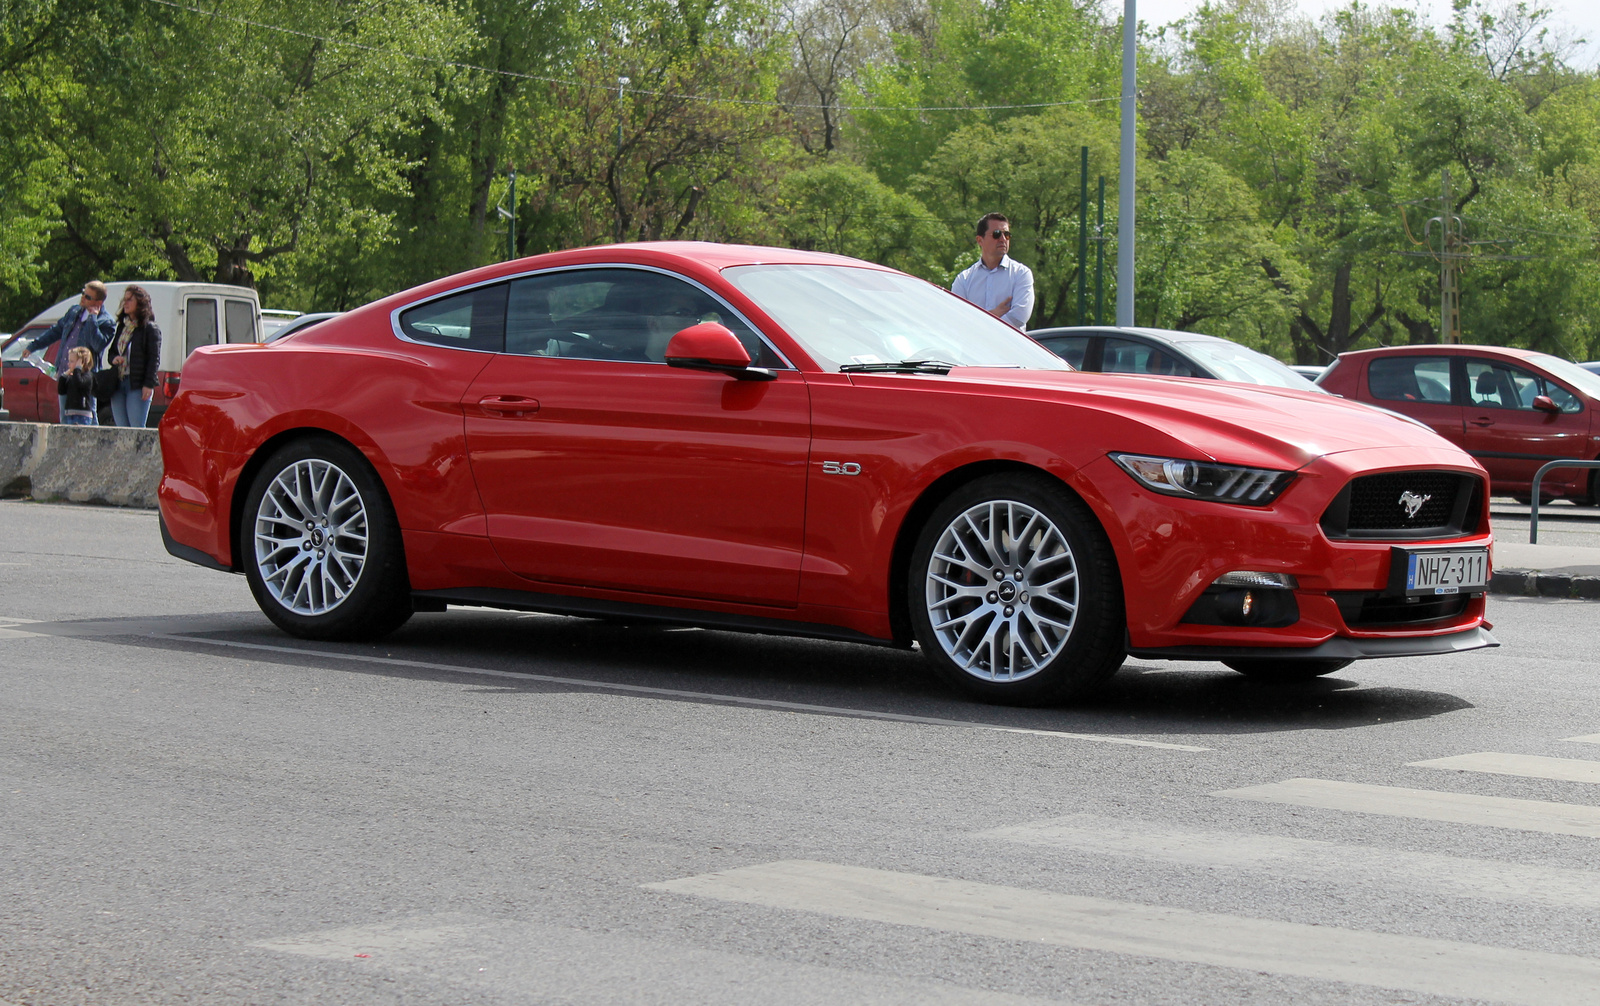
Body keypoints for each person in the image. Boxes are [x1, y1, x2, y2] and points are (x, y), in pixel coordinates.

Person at [24, 280, 116, 420]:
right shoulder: (74, 312)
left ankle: (91, 440)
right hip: (65, 372)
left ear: (98, 303)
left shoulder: (106, 321)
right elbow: (55, 332)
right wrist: (33, 346)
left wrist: (92, 318)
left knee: (88, 413)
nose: (83, 298)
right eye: (83, 293)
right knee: (65, 413)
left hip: (85, 377)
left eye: (88, 297)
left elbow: (98, 345)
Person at [951, 212, 1035, 329]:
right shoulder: (964, 280)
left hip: (1007, 346)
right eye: (996, 234)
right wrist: (993, 314)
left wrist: (978, 322)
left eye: (1007, 234)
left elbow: (1018, 317)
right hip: (974, 346)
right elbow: (956, 319)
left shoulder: (1021, 274)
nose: (1003, 239)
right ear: (980, 240)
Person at [105, 285, 162, 428]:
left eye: (130, 300)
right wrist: (114, 359)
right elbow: (111, 352)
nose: (126, 303)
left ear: (140, 302)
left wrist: (148, 384)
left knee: (136, 430)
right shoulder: (122, 327)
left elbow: (154, 359)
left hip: (137, 385)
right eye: (124, 300)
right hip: (118, 382)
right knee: (122, 429)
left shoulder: (150, 328)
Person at [57, 347, 98, 426]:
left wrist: (77, 368)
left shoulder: (88, 376)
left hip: (82, 415)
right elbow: (61, 390)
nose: (68, 364)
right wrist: (65, 375)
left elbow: (79, 383)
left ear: (82, 362)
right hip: (70, 414)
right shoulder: (72, 376)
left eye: (72, 361)